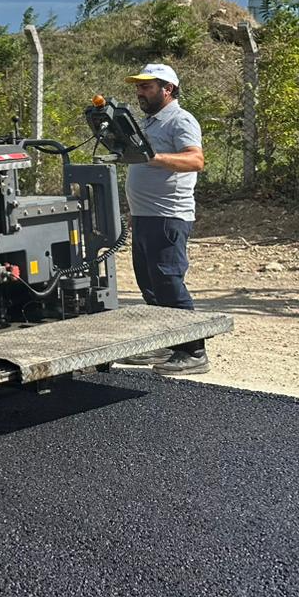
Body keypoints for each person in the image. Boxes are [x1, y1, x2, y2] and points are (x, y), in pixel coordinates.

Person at [117, 64, 209, 375]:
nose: (140, 92)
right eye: (139, 86)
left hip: (169, 216)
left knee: (169, 282)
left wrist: (154, 159)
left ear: (167, 88)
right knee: (150, 284)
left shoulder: (180, 120)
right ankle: (164, 341)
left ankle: (194, 350)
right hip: (145, 216)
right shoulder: (149, 122)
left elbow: (196, 159)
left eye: (147, 86)